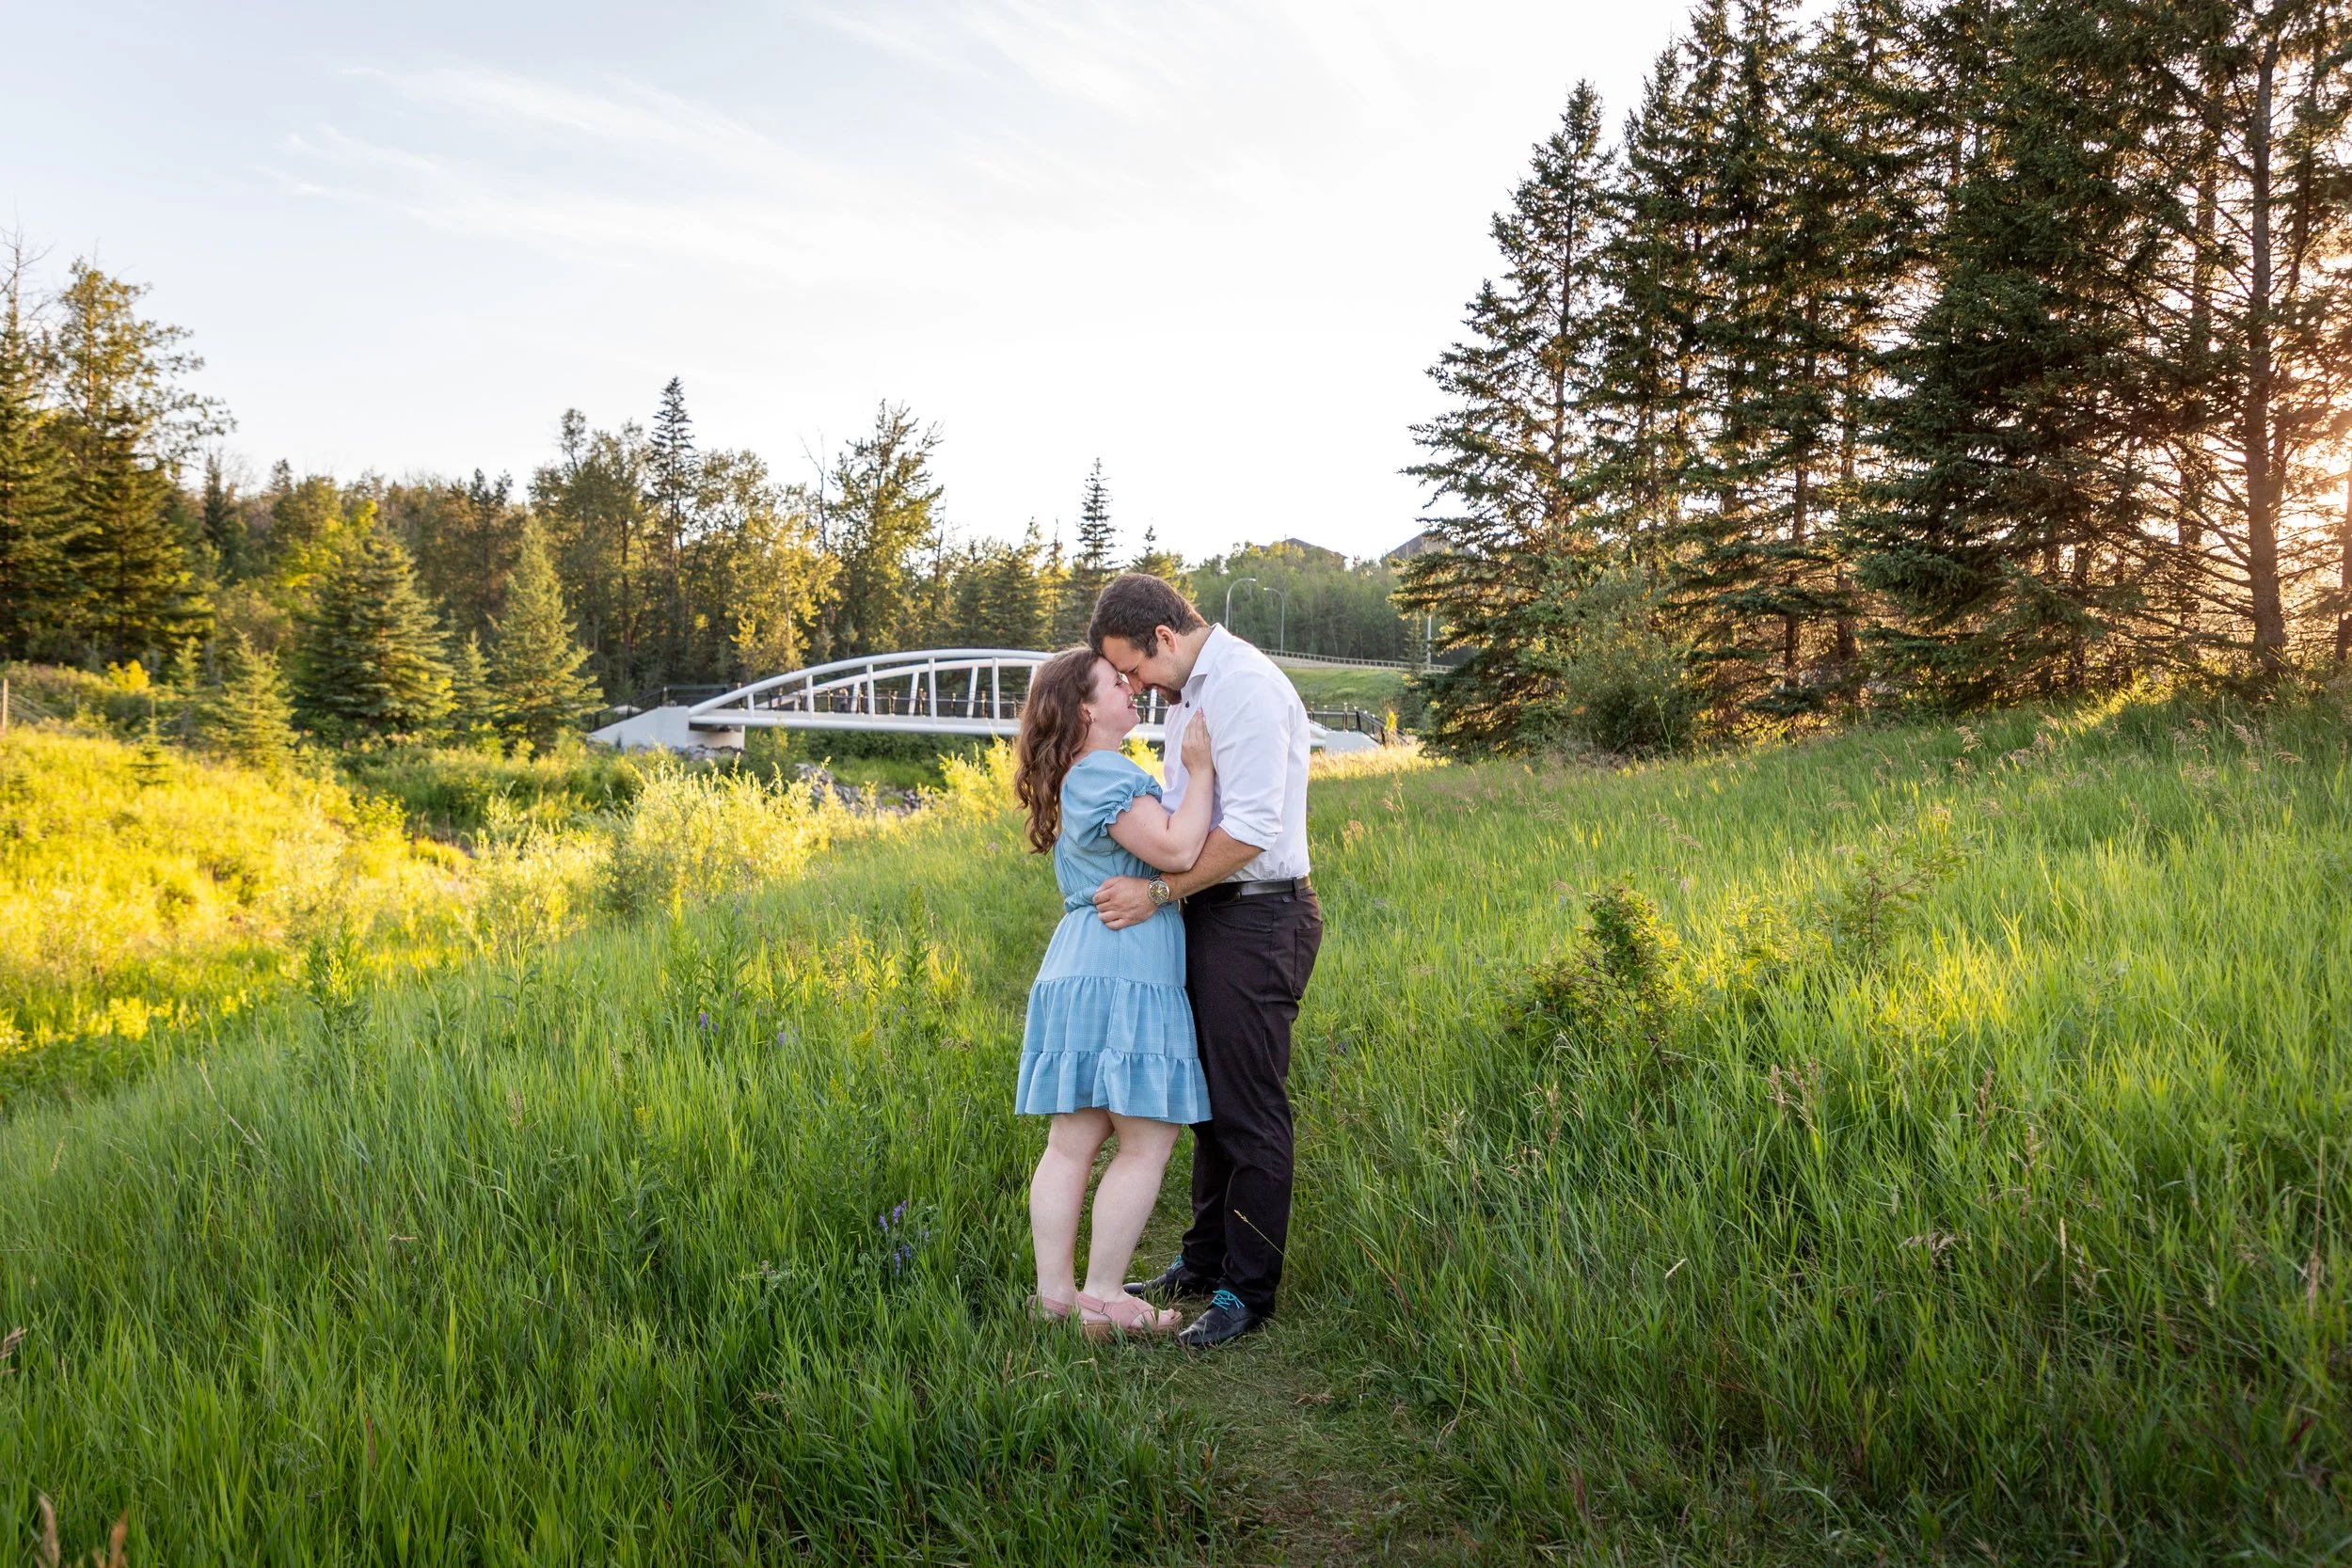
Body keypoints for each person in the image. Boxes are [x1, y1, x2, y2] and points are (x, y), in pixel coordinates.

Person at [1087, 574, 1321, 1350]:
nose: (1131, 685)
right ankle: (1201, 1257)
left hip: (1260, 917)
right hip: (1215, 916)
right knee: (1209, 1105)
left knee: (1249, 1112)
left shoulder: (1244, 686)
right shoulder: (1188, 693)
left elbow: (1251, 830)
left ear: (1162, 636)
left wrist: (1156, 892)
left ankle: (1245, 1291)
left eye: (1132, 667)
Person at [1011, 644, 1220, 1340]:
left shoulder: (1078, 776)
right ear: (1085, 707)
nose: (1132, 690)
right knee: (1146, 1137)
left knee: (1072, 1141)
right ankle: (1103, 1295)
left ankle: (1055, 1297)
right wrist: (1200, 771)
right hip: (1123, 967)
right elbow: (1177, 849)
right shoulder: (1104, 770)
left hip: (1083, 962)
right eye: (1115, 684)